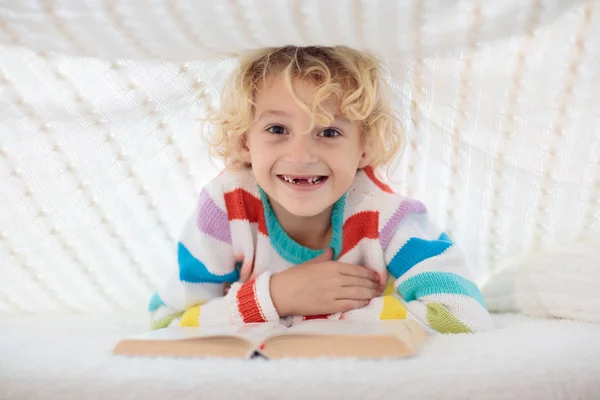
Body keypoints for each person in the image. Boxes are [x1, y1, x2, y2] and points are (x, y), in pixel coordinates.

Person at [148, 46, 493, 334]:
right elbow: (167, 321)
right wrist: (276, 297)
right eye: (277, 128)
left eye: (329, 132)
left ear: (365, 147)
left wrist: (317, 316)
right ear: (244, 142)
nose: (301, 156)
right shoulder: (225, 208)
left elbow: (464, 314)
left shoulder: (385, 216)